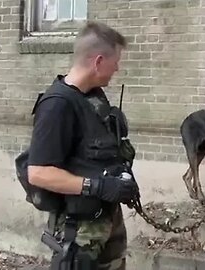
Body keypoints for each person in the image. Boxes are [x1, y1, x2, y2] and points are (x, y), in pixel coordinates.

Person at [21, 21, 139, 270]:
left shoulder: (94, 98)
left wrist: (121, 181)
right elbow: (39, 172)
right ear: (97, 61)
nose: (117, 67)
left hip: (107, 220)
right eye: (115, 61)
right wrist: (97, 186)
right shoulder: (58, 105)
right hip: (79, 230)